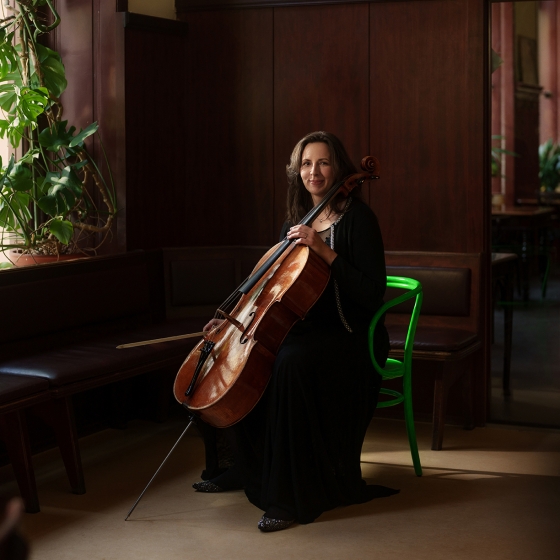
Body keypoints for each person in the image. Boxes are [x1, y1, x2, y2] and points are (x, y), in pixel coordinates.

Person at [194, 131, 397, 532]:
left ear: (338, 167)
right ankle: (248, 468)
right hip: (303, 330)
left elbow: (373, 295)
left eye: (322, 162)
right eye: (306, 163)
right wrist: (232, 318)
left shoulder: (358, 219)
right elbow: (270, 286)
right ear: (297, 171)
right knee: (243, 362)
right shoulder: (296, 220)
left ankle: (288, 498)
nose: (314, 171)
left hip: (349, 335)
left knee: (290, 364)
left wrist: (323, 250)